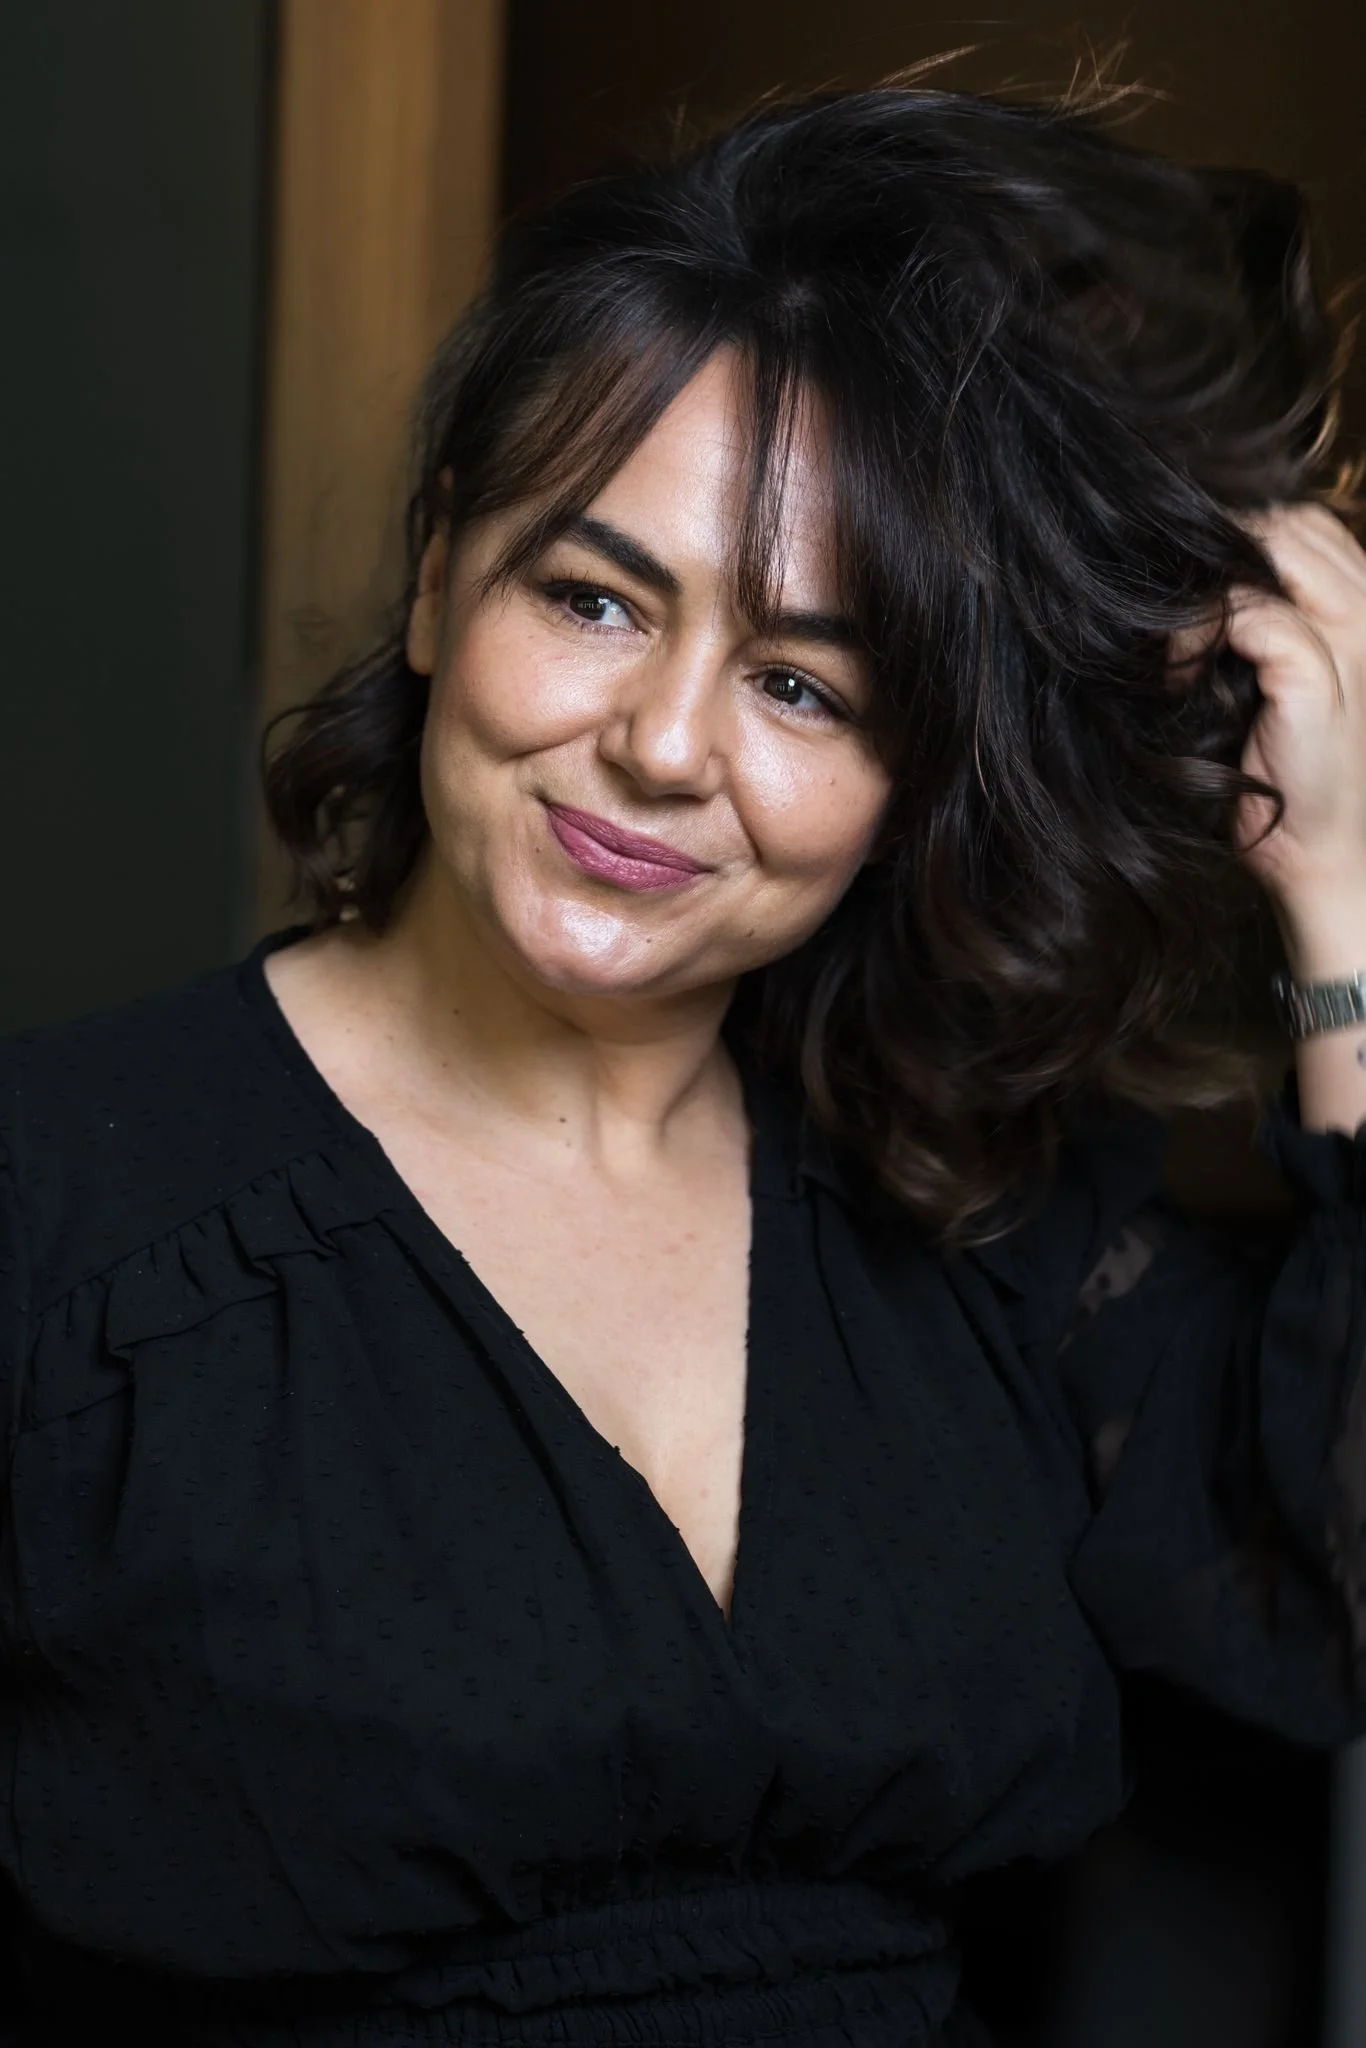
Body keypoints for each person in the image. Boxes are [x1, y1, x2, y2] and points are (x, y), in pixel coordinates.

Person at [2, 76, 1365, 2048]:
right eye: (590, 597)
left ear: (905, 783)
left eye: (800, 681)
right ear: (431, 584)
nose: (661, 744)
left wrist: (1340, 906)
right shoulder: (58, 1202)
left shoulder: (979, 1215)